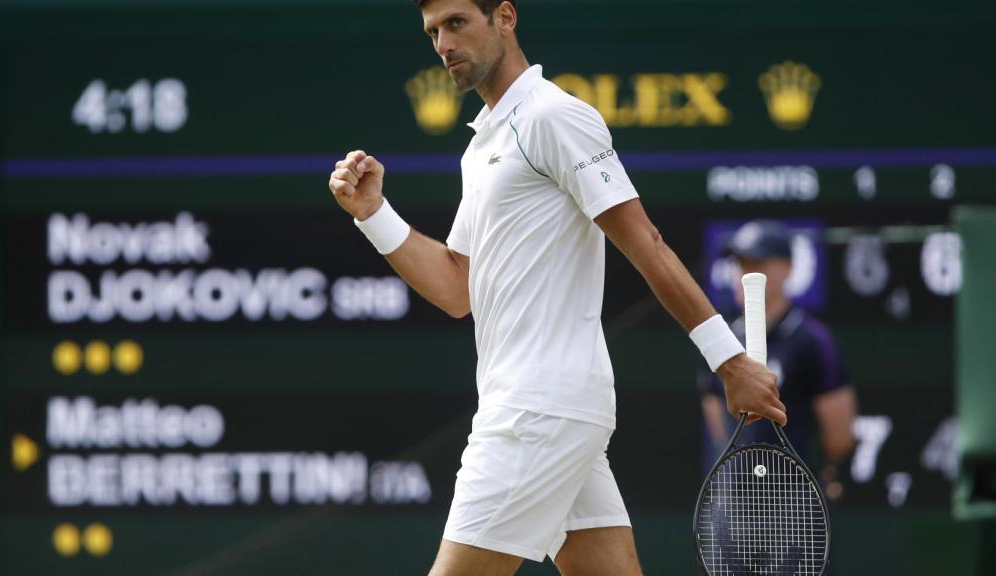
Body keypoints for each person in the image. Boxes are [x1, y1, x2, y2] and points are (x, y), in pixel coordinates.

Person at [328, 1, 785, 574]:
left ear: (505, 18)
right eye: (433, 32)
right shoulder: (482, 146)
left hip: (535, 413)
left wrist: (729, 361)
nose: (443, 44)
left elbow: (646, 243)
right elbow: (454, 288)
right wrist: (373, 214)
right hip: (553, 411)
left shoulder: (552, 116)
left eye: (456, 24)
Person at [697, 220, 857, 487]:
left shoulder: (813, 341)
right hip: (735, 497)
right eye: (740, 264)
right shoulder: (721, 341)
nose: (743, 274)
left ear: (787, 268)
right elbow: (716, 418)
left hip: (796, 496)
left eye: (756, 264)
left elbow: (839, 436)